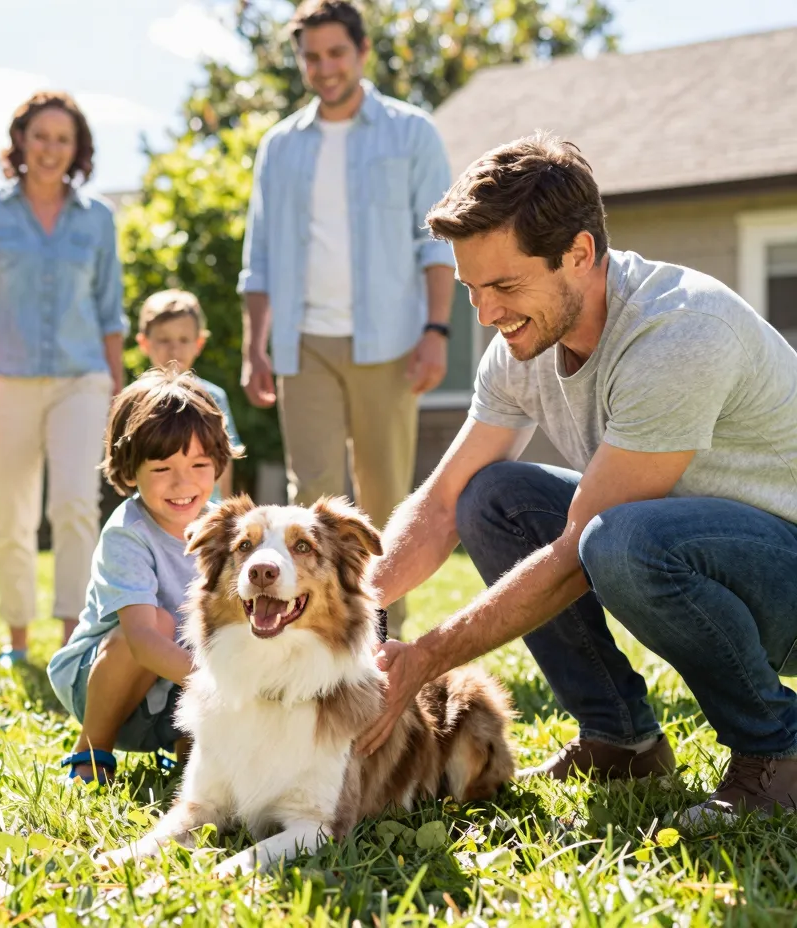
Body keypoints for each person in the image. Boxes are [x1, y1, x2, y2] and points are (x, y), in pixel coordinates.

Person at [355, 131, 797, 829]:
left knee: (616, 540)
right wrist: (347, 607)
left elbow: (573, 558)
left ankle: (780, 752)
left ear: (580, 254)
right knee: (492, 499)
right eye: (472, 289)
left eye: (504, 285)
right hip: (693, 551)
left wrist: (423, 658)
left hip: (784, 575)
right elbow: (443, 502)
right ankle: (623, 741)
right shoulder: (521, 344)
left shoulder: (679, 330)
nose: (486, 313)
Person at [237, 0, 456, 640]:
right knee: (314, 495)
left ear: (361, 53)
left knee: (385, 495)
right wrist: (257, 348)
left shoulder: (410, 132)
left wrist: (435, 332)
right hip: (302, 343)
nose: (324, 67)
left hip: (389, 341)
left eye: (336, 53)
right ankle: (318, 630)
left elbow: (436, 242)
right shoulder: (278, 147)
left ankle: (384, 634)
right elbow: (260, 258)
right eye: (311, 56)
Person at [0, 91, 127, 668]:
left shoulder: (97, 219)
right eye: (41, 136)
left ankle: (73, 636)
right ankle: (17, 637)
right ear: (20, 140)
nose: (51, 149)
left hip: (82, 380)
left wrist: (121, 396)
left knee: (75, 504)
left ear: (78, 150)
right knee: (12, 515)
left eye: (63, 139)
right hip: (0, 380)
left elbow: (110, 313)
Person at [46, 368, 238, 784]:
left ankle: (190, 755)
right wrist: (223, 684)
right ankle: (91, 750)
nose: (183, 482)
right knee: (163, 623)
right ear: (130, 471)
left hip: (176, 695)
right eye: (162, 469)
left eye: (199, 463)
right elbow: (143, 641)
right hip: (105, 685)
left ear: (219, 464)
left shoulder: (221, 529)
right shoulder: (127, 534)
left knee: (222, 629)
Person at [135, 288, 245, 501]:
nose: (174, 350)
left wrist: (224, 511)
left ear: (199, 344)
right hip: (155, 512)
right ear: (144, 343)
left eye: (184, 340)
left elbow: (225, 459)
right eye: (164, 340)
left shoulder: (213, 397)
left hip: (204, 510)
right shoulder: (138, 399)